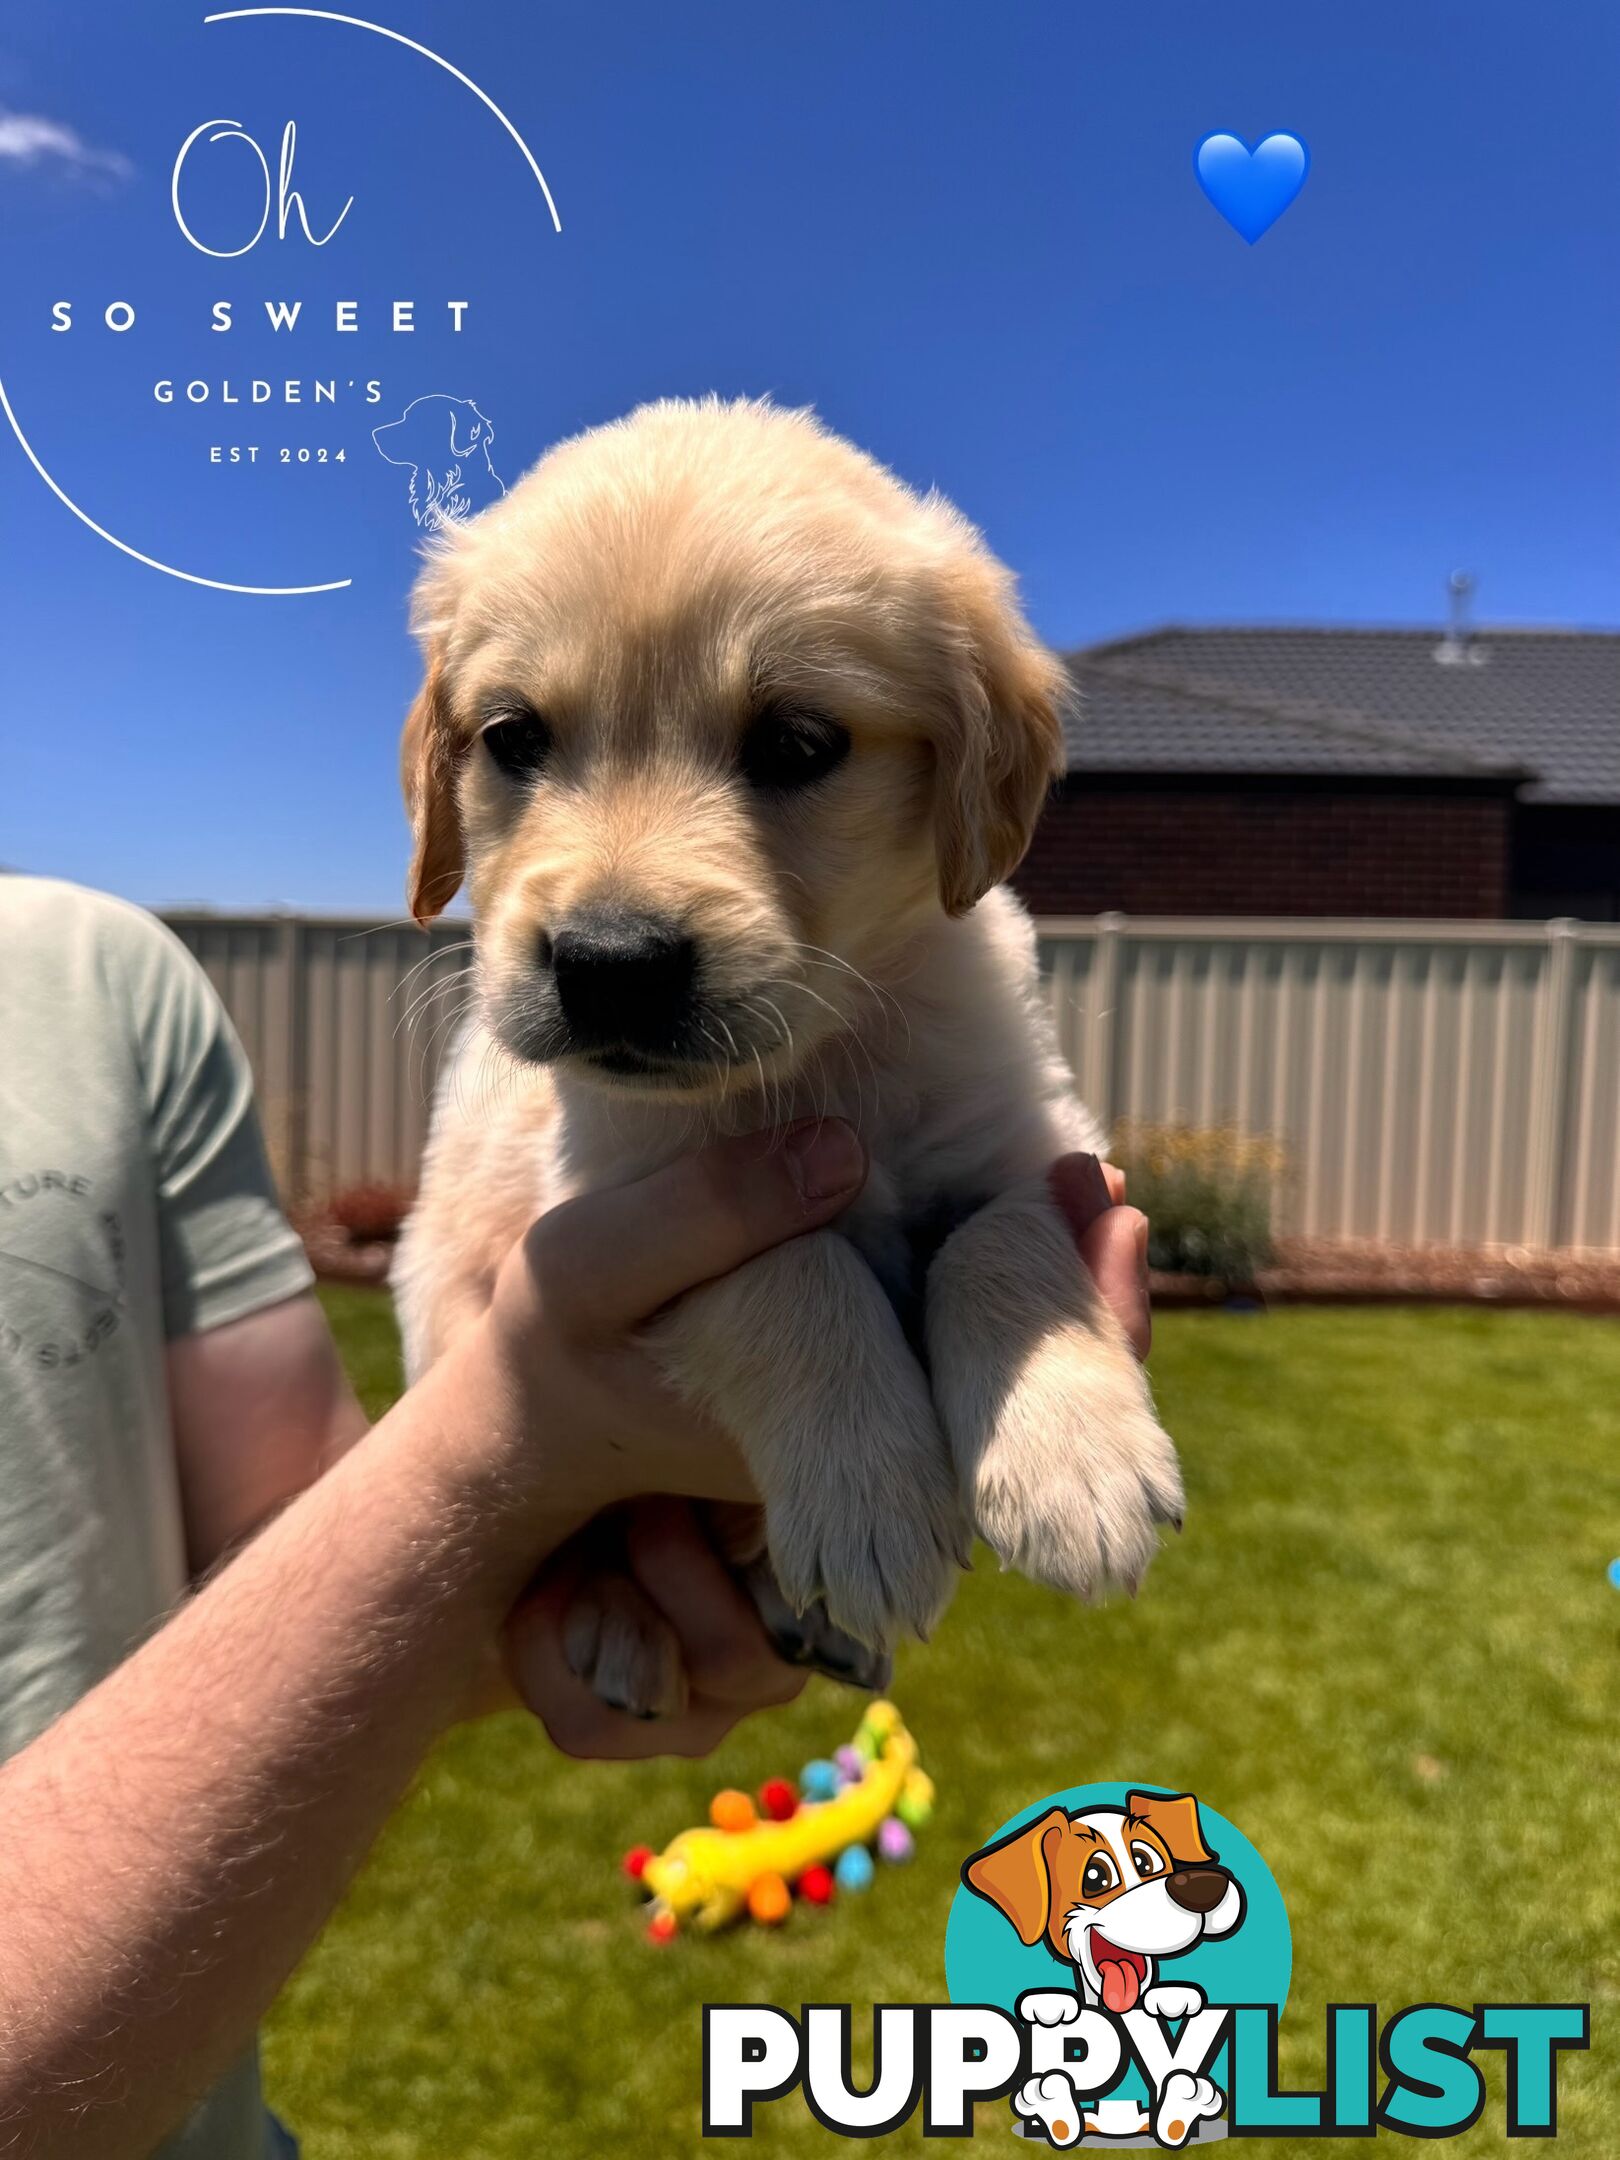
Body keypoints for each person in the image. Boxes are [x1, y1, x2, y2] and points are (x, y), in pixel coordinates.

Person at [0, 875, 1151, 2157]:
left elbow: (299, 1540)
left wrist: (1020, 1300)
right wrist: (534, 1454)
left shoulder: (101, 973)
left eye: (786, 746)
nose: (614, 899)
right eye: (522, 739)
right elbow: (563, 1259)